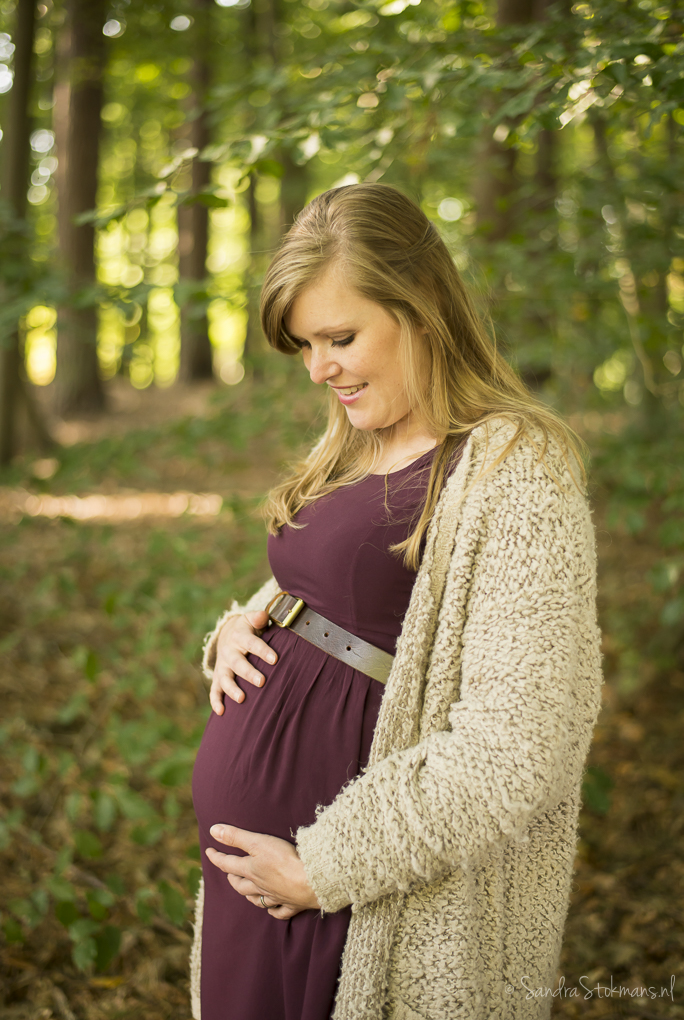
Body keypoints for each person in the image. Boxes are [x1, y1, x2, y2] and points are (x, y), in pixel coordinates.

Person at [190, 183, 602, 1020]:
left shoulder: (515, 469)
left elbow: (519, 745)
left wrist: (322, 868)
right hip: (256, 884)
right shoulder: (358, 438)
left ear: (422, 312)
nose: (319, 368)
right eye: (306, 344)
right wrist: (240, 627)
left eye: (341, 337)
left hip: (360, 894)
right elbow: (332, 593)